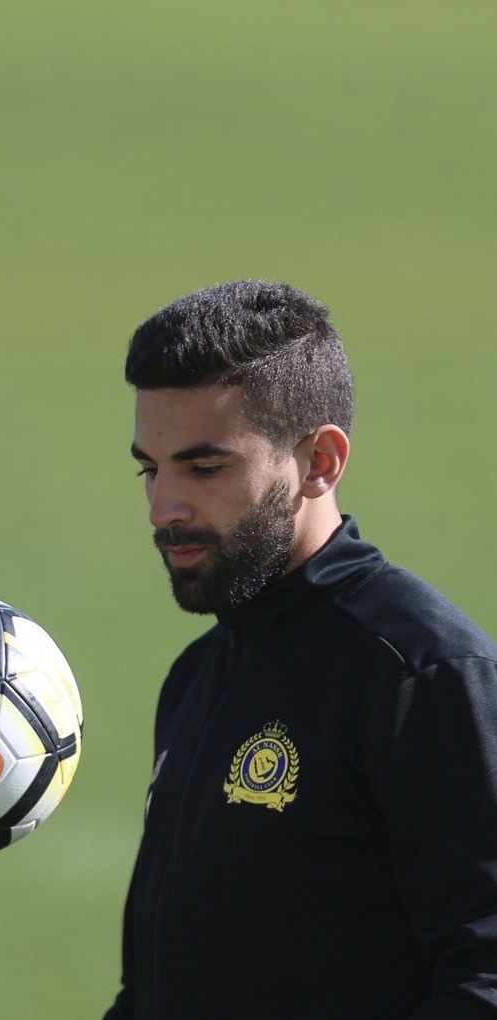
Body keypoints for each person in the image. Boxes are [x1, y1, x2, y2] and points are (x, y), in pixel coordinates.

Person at [103, 280, 497, 1019]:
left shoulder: (421, 675)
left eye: (204, 468)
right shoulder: (197, 673)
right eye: (149, 469)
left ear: (319, 460)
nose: (162, 509)